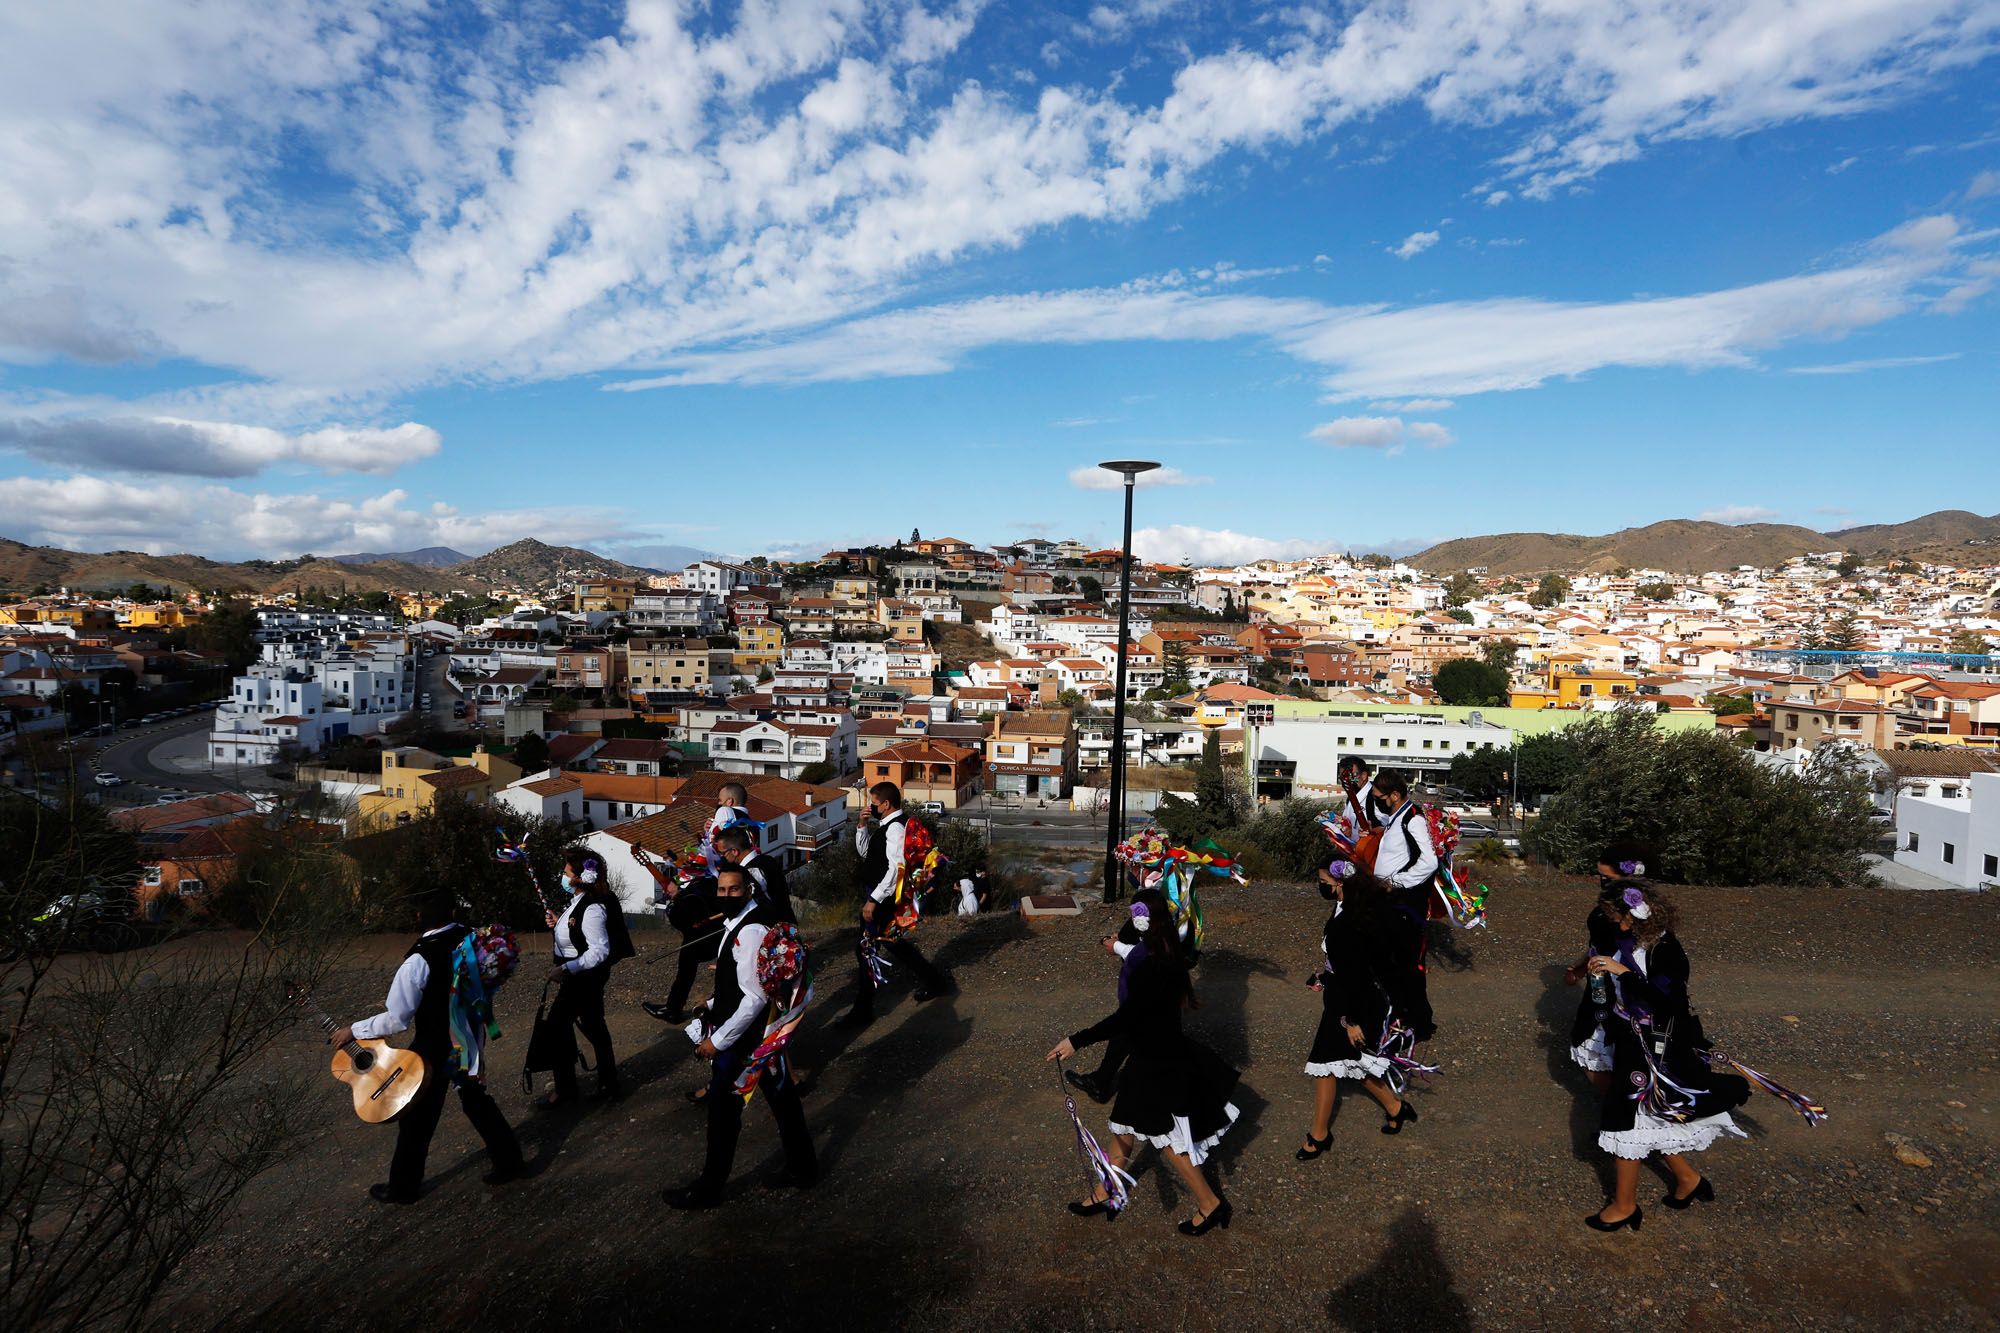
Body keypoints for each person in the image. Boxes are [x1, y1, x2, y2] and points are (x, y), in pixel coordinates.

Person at [1047, 890, 1239, 1236]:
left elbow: (1126, 1018)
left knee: (1165, 1139)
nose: (1130, 919)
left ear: (1146, 920)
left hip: (1155, 1062)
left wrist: (1076, 1040)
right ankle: (1107, 1192)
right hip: (1156, 1054)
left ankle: (1210, 1205)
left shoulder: (1150, 964)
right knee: (1123, 1127)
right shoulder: (1167, 953)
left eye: (1135, 913)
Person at [331, 888, 526, 1204]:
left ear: (420, 917)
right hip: (468, 1035)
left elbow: (397, 1019)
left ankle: (404, 1187)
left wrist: (353, 1030)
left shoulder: (419, 959)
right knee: (475, 1097)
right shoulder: (471, 938)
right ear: (452, 913)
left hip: (434, 1045)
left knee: (418, 1116)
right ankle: (511, 1161)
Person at [1585, 881, 1749, 1233]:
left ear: (1633, 914)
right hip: (1632, 1042)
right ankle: (1687, 1179)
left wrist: (1622, 974)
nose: (1614, 923)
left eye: (1617, 916)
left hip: (1655, 1050)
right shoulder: (1633, 942)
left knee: (1625, 1120)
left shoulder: (1666, 950)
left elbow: (1667, 1002)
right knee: (1644, 1117)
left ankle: (1625, 1205)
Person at [664, 863, 818, 1210]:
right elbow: (745, 985)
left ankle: (708, 1190)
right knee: (783, 1102)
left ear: (747, 890)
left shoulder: (747, 932)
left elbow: (755, 997)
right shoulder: (740, 922)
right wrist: (715, 1001)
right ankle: (804, 1168)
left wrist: (716, 1042)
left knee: (723, 1110)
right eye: (722, 890)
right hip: (760, 1034)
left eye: (734, 889)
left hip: (746, 1041)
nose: (727, 895)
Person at [1298, 867, 1428, 1158]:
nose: (1321, 886)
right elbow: (1346, 965)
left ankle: (1319, 1135)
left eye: (1324, 882)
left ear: (1341, 883)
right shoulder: (1353, 911)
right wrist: (1323, 978)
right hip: (1345, 998)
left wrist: (1350, 1020)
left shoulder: (1347, 923)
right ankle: (1396, 1107)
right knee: (1352, 1061)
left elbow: (1354, 975)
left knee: (1325, 1064)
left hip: (1352, 1005)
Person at [838, 782, 951, 1028]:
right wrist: (861, 825)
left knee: (866, 950)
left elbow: (895, 871)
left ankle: (862, 1011)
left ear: (886, 804)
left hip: (881, 899)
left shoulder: (895, 829)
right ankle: (935, 981)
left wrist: (873, 901)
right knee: (891, 945)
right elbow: (865, 852)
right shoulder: (886, 826)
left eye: (874, 803)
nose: (871, 807)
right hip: (879, 896)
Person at [542, 847, 632, 1105]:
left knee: (557, 1026)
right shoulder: (580, 903)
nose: (562, 876)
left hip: (582, 978)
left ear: (577, 878)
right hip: (580, 976)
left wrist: (566, 969)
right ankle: (607, 1081)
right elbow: (580, 931)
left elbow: (599, 950)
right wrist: (561, 922)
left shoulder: (592, 908)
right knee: (593, 1025)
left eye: (565, 872)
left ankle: (567, 1089)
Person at [1063, 890, 1169, 1105]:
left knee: (1128, 1028)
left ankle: (1103, 1081)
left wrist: (1076, 1041)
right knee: (1126, 1030)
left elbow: (1143, 950)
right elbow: (1133, 931)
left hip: (1146, 1005)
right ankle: (1101, 1080)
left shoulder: (1157, 949)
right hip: (1145, 1000)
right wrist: (1117, 942)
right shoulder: (1160, 923)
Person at [1565, 841, 1649, 1092]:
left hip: (1622, 991)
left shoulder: (1639, 912)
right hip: (1599, 983)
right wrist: (1580, 967)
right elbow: (1599, 942)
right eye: (1600, 878)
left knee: (1610, 1049)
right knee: (1595, 1049)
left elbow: (1640, 957)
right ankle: (1617, 1106)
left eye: (1607, 878)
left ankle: (1623, 1109)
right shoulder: (1611, 905)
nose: (1602, 884)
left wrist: (1617, 970)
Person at [639, 850, 727, 1025]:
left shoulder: (698, 887)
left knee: (688, 973)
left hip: (702, 939)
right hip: (716, 936)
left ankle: (675, 1010)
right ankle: (679, 1008)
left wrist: (678, 899)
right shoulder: (711, 881)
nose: (684, 868)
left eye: (690, 866)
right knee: (696, 973)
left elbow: (680, 918)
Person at [1369, 770, 1437, 921]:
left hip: (1401, 903)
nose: (1376, 802)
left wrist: (1396, 882)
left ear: (1395, 795)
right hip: (1387, 899)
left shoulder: (1413, 819)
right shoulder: (1396, 816)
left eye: (1378, 798)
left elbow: (1430, 862)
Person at [715, 824, 793, 923]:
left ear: (734, 851)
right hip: (787, 920)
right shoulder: (768, 859)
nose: (722, 858)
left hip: (774, 928)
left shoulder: (751, 872)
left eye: (723, 854)